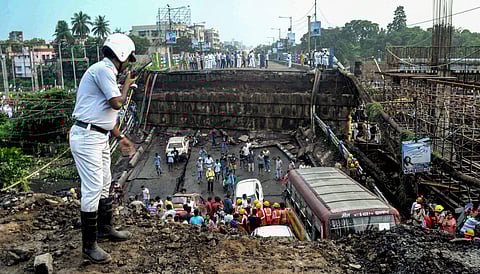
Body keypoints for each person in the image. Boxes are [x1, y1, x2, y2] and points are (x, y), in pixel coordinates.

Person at [69, 33, 137, 263]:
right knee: (93, 187)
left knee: (105, 182)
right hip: (87, 136)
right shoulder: (103, 70)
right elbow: (116, 103)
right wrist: (127, 86)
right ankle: (89, 246)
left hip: (98, 136)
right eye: (128, 58)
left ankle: (104, 228)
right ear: (120, 55)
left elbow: (106, 115)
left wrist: (120, 137)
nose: (128, 64)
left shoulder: (106, 73)